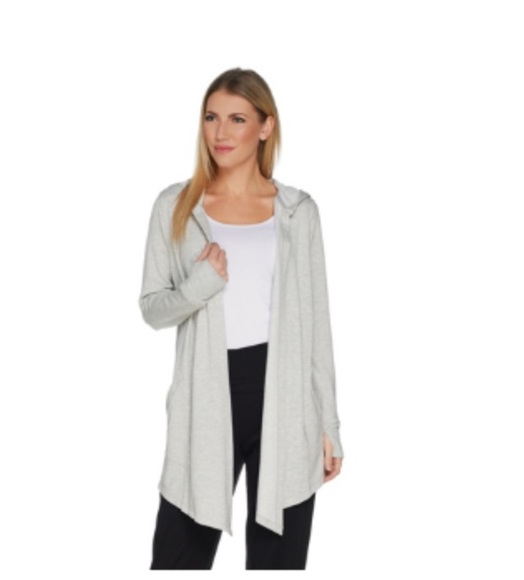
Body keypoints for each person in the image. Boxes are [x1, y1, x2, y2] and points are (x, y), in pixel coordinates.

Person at [138, 67, 344, 570]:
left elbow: (317, 326)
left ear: (265, 126)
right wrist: (199, 285)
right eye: (211, 118)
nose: (220, 133)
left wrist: (329, 423)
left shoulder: (298, 212)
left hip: (285, 396)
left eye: (237, 119)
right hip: (205, 393)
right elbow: (152, 309)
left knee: (278, 561)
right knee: (177, 558)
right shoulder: (177, 207)